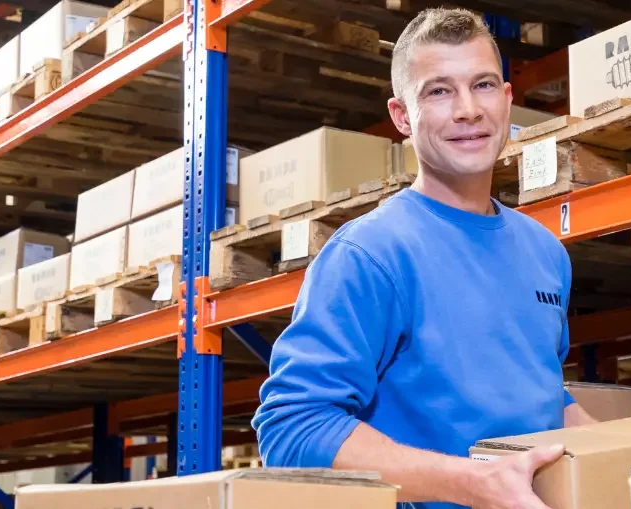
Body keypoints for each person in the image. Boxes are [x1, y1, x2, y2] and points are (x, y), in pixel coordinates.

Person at [251, 7, 595, 509]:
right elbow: (293, 428)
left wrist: (630, 458)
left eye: (482, 85)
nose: (467, 110)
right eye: (438, 91)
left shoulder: (543, 249)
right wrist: (473, 483)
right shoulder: (369, 253)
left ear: (506, 98)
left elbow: (540, 393)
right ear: (402, 117)